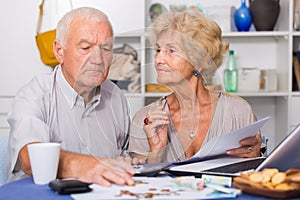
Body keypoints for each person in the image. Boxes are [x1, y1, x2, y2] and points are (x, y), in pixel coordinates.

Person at [7, 7, 135, 186]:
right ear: (59, 51)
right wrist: (90, 165)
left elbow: (127, 158)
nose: (98, 59)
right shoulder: (34, 94)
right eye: (85, 47)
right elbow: (30, 158)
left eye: (105, 48)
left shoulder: (116, 97)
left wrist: (153, 150)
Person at [128, 11, 262, 163]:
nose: (158, 59)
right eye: (158, 50)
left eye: (171, 51)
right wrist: (156, 152)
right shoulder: (145, 120)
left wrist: (255, 156)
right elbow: (143, 185)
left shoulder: (238, 112)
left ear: (199, 60)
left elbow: (254, 175)